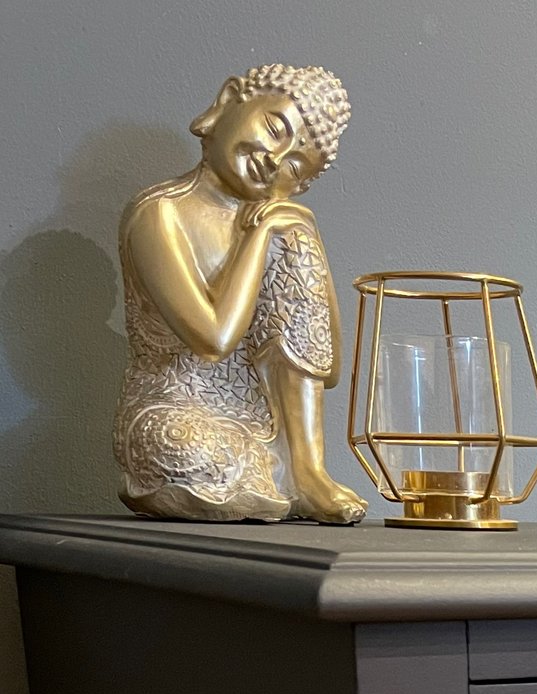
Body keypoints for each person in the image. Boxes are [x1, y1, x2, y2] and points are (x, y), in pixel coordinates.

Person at [114, 64, 366, 523]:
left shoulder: (278, 232)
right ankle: (271, 476)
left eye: (294, 165)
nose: (275, 158)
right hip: (175, 407)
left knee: (295, 241)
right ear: (229, 101)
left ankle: (306, 472)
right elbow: (212, 339)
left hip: (261, 423)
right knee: (182, 447)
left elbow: (327, 371)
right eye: (275, 128)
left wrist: (304, 238)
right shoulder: (160, 215)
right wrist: (259, 235)